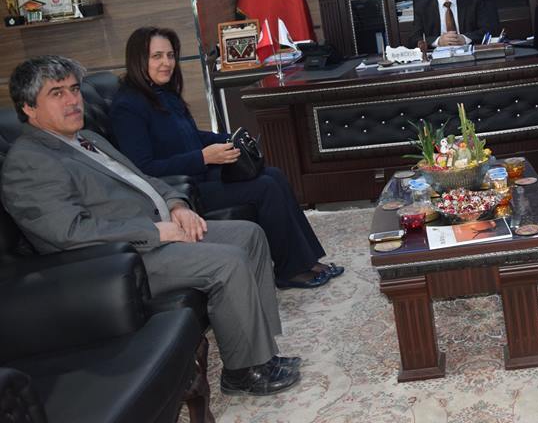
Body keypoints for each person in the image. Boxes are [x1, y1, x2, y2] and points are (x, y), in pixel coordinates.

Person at [1, 56, 301, 396]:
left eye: (74, 89)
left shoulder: (87, 138)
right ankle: (244, 373)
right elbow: (69, 233)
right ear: (28, 107)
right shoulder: (29, 162)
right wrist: (154, 232)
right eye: (57, 93)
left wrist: (176, 205)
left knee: (249, 235)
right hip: (120, 258)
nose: (73, 100)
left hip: (159, 229)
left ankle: (261, 352)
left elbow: (143, 178)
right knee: (228, 262)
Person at [109, 27, 343, 289]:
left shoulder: (163, 93)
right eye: (157, 56)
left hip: (199, 175)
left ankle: (307, 260)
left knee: (274, 175)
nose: (167, 63)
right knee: (265, 187)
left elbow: (191, 135)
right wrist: (203, 158)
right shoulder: (127, 107)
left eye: (170, 55)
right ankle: (289, 271)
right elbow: (143, 168)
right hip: (179, 192)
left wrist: (228, 139)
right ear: (138, 59)